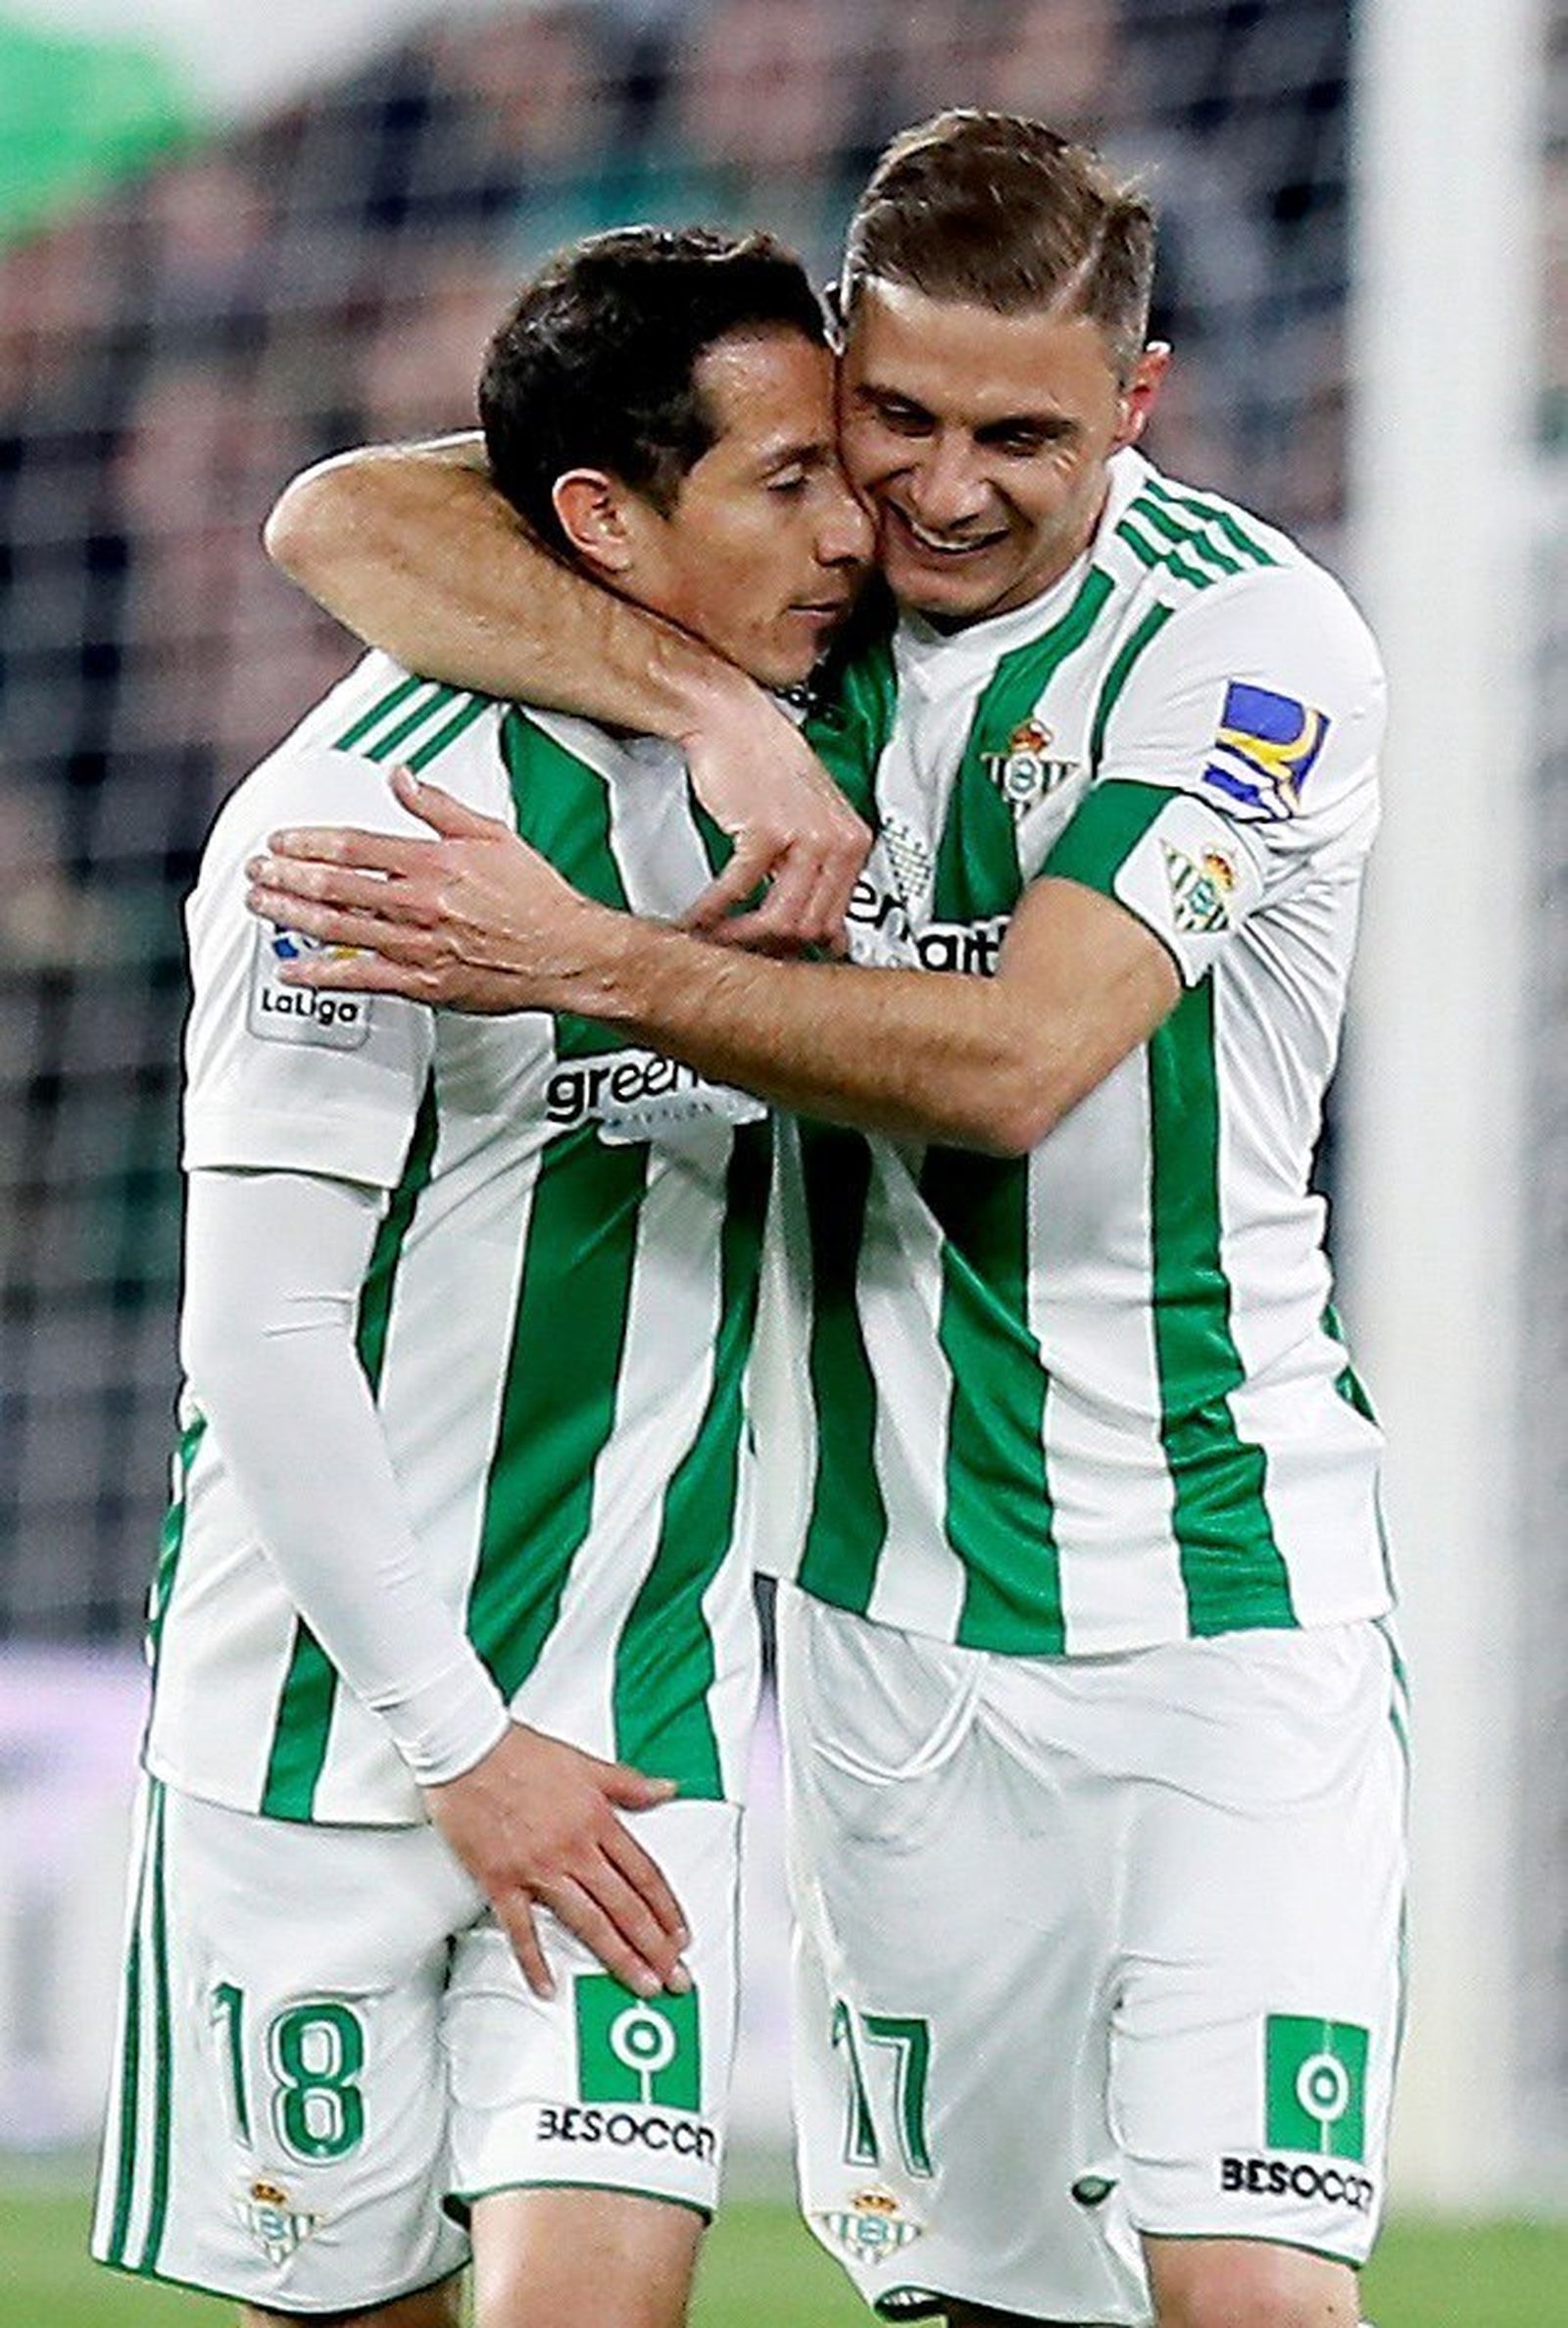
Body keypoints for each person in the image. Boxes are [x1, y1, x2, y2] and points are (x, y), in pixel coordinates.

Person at [255, 114, 1404, 2328]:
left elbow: (1014, 1065)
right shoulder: (804, 598)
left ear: (1138, 405)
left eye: (1023, 435)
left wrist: (581, 955)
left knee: (1251, 2292)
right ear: (840, 367)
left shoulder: (1246, 645)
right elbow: (342, 515)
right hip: (878, 1629)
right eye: (897, 419)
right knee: (984, 2305)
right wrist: (710, 709)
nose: (950, 489)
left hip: (1224, 1606)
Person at [91, 224, 872, 2328]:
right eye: (785, 481)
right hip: (326, 1745)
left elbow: (364, 502)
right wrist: (457, 1739)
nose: (849, 525)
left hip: (634, 1725)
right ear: (606, 520)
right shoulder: (358, 824)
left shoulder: (830, 741)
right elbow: (253, 1333)